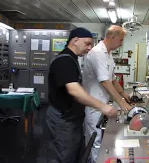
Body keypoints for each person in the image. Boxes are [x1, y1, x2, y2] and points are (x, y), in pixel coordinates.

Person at [45, 27, 118, 163]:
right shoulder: (64, 60)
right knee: (64, 155)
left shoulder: (73, 59)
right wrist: (103, 106)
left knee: (75, 153)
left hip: (72, 118)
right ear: (76, 40)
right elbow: (75, 91)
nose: (89, 48)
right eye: (87, 44)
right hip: (63, 119)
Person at [82, 25, 133, 163]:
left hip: (102, 103)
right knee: (95, 140)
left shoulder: (108, 54)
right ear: (112, 37)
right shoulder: (98, 53)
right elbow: (105, 81)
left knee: (100, 139)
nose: (121, 43)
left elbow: (113, 79)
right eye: (121, 40)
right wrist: (122, 104)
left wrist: (124, 94)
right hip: (93, 105)